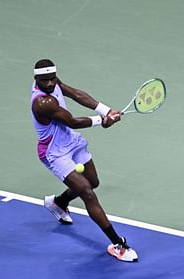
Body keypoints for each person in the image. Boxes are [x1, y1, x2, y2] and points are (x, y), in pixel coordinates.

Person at [30, 58, 138, 262]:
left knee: (93, 183)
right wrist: (103, 121)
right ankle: (118, 244)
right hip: (54, 152)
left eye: (53, 79)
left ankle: (59, 203)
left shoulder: (52, 82)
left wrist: (105, 110)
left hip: (70, 140)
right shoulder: (43, 103)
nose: (51, 84)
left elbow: (76, 93)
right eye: (46, 81)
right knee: (87, 193)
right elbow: (71, 121)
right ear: (37, 79)